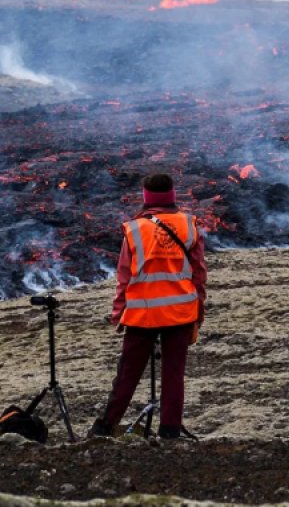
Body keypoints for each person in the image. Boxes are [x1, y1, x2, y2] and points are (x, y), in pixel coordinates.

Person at [89, 173, 207, 439]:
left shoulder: (134, 229)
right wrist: (198, 316)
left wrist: (118, 313)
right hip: (180, 312)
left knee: (127, 375)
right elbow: (199, 274)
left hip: (142, 313)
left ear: (146, 196)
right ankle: (170, 432)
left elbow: (124, 276)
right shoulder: (189, 224)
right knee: (174, 375)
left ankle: (104, 429)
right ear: (172, 194)